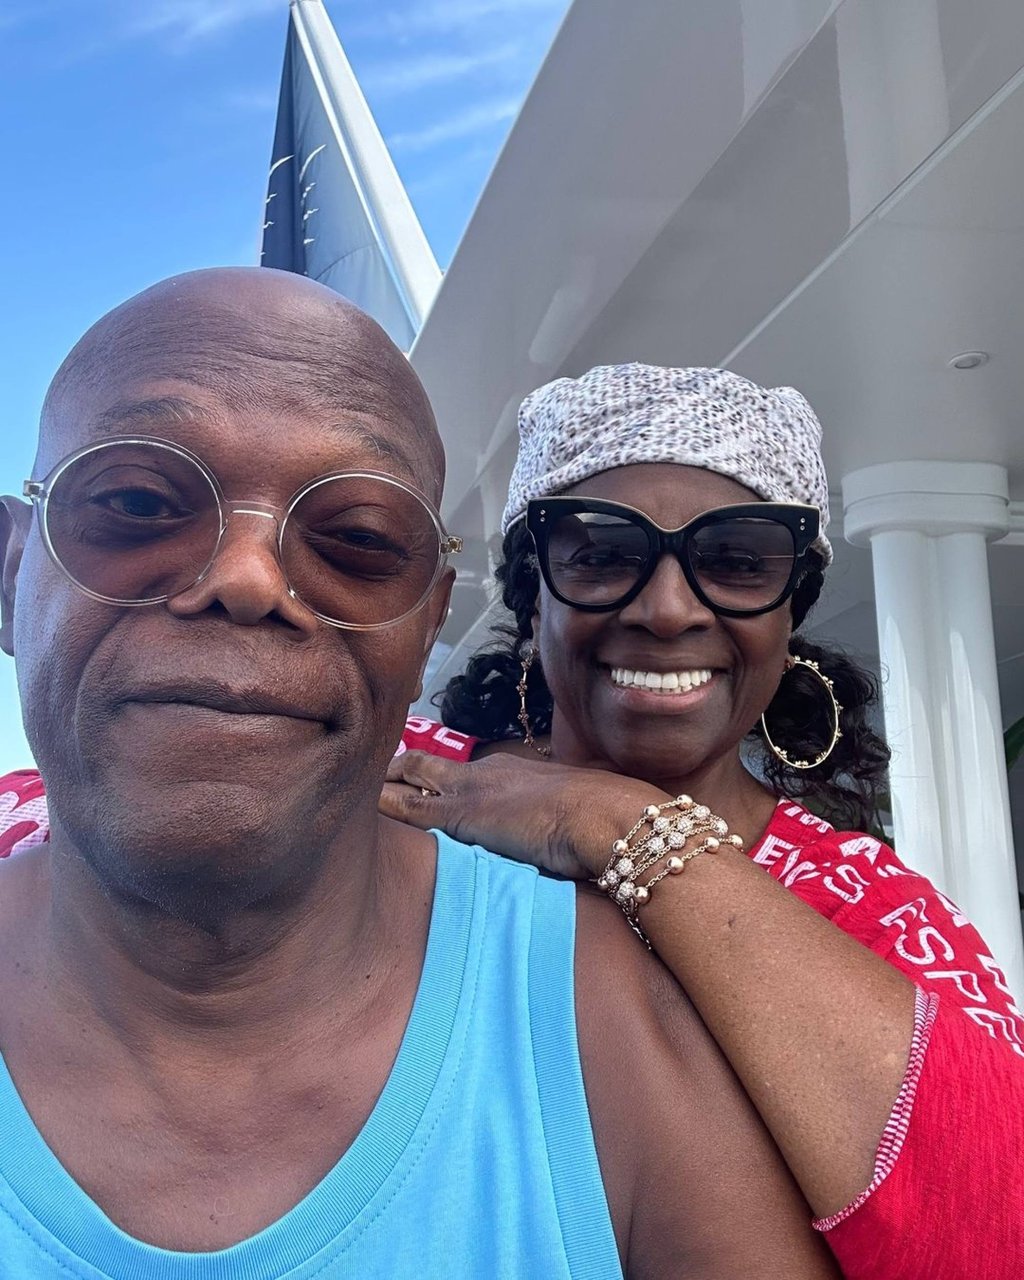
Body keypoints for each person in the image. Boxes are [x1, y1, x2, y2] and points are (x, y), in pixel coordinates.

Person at [0, 271, 835, 1278]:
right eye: (137, 501)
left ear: (429, 616)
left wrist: (631, 834)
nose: (249, 576)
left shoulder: (622, 1015)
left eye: (355, 537)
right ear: (12, 570)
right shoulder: (464, 799)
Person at [382, 363, 1024, 1280]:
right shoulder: (396, 776)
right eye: (602, 554)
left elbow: (1001, 1229)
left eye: (737, 560)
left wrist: (615, 820)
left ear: (790, 609)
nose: (669, 608)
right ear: (534, 595)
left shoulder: (875, 914)